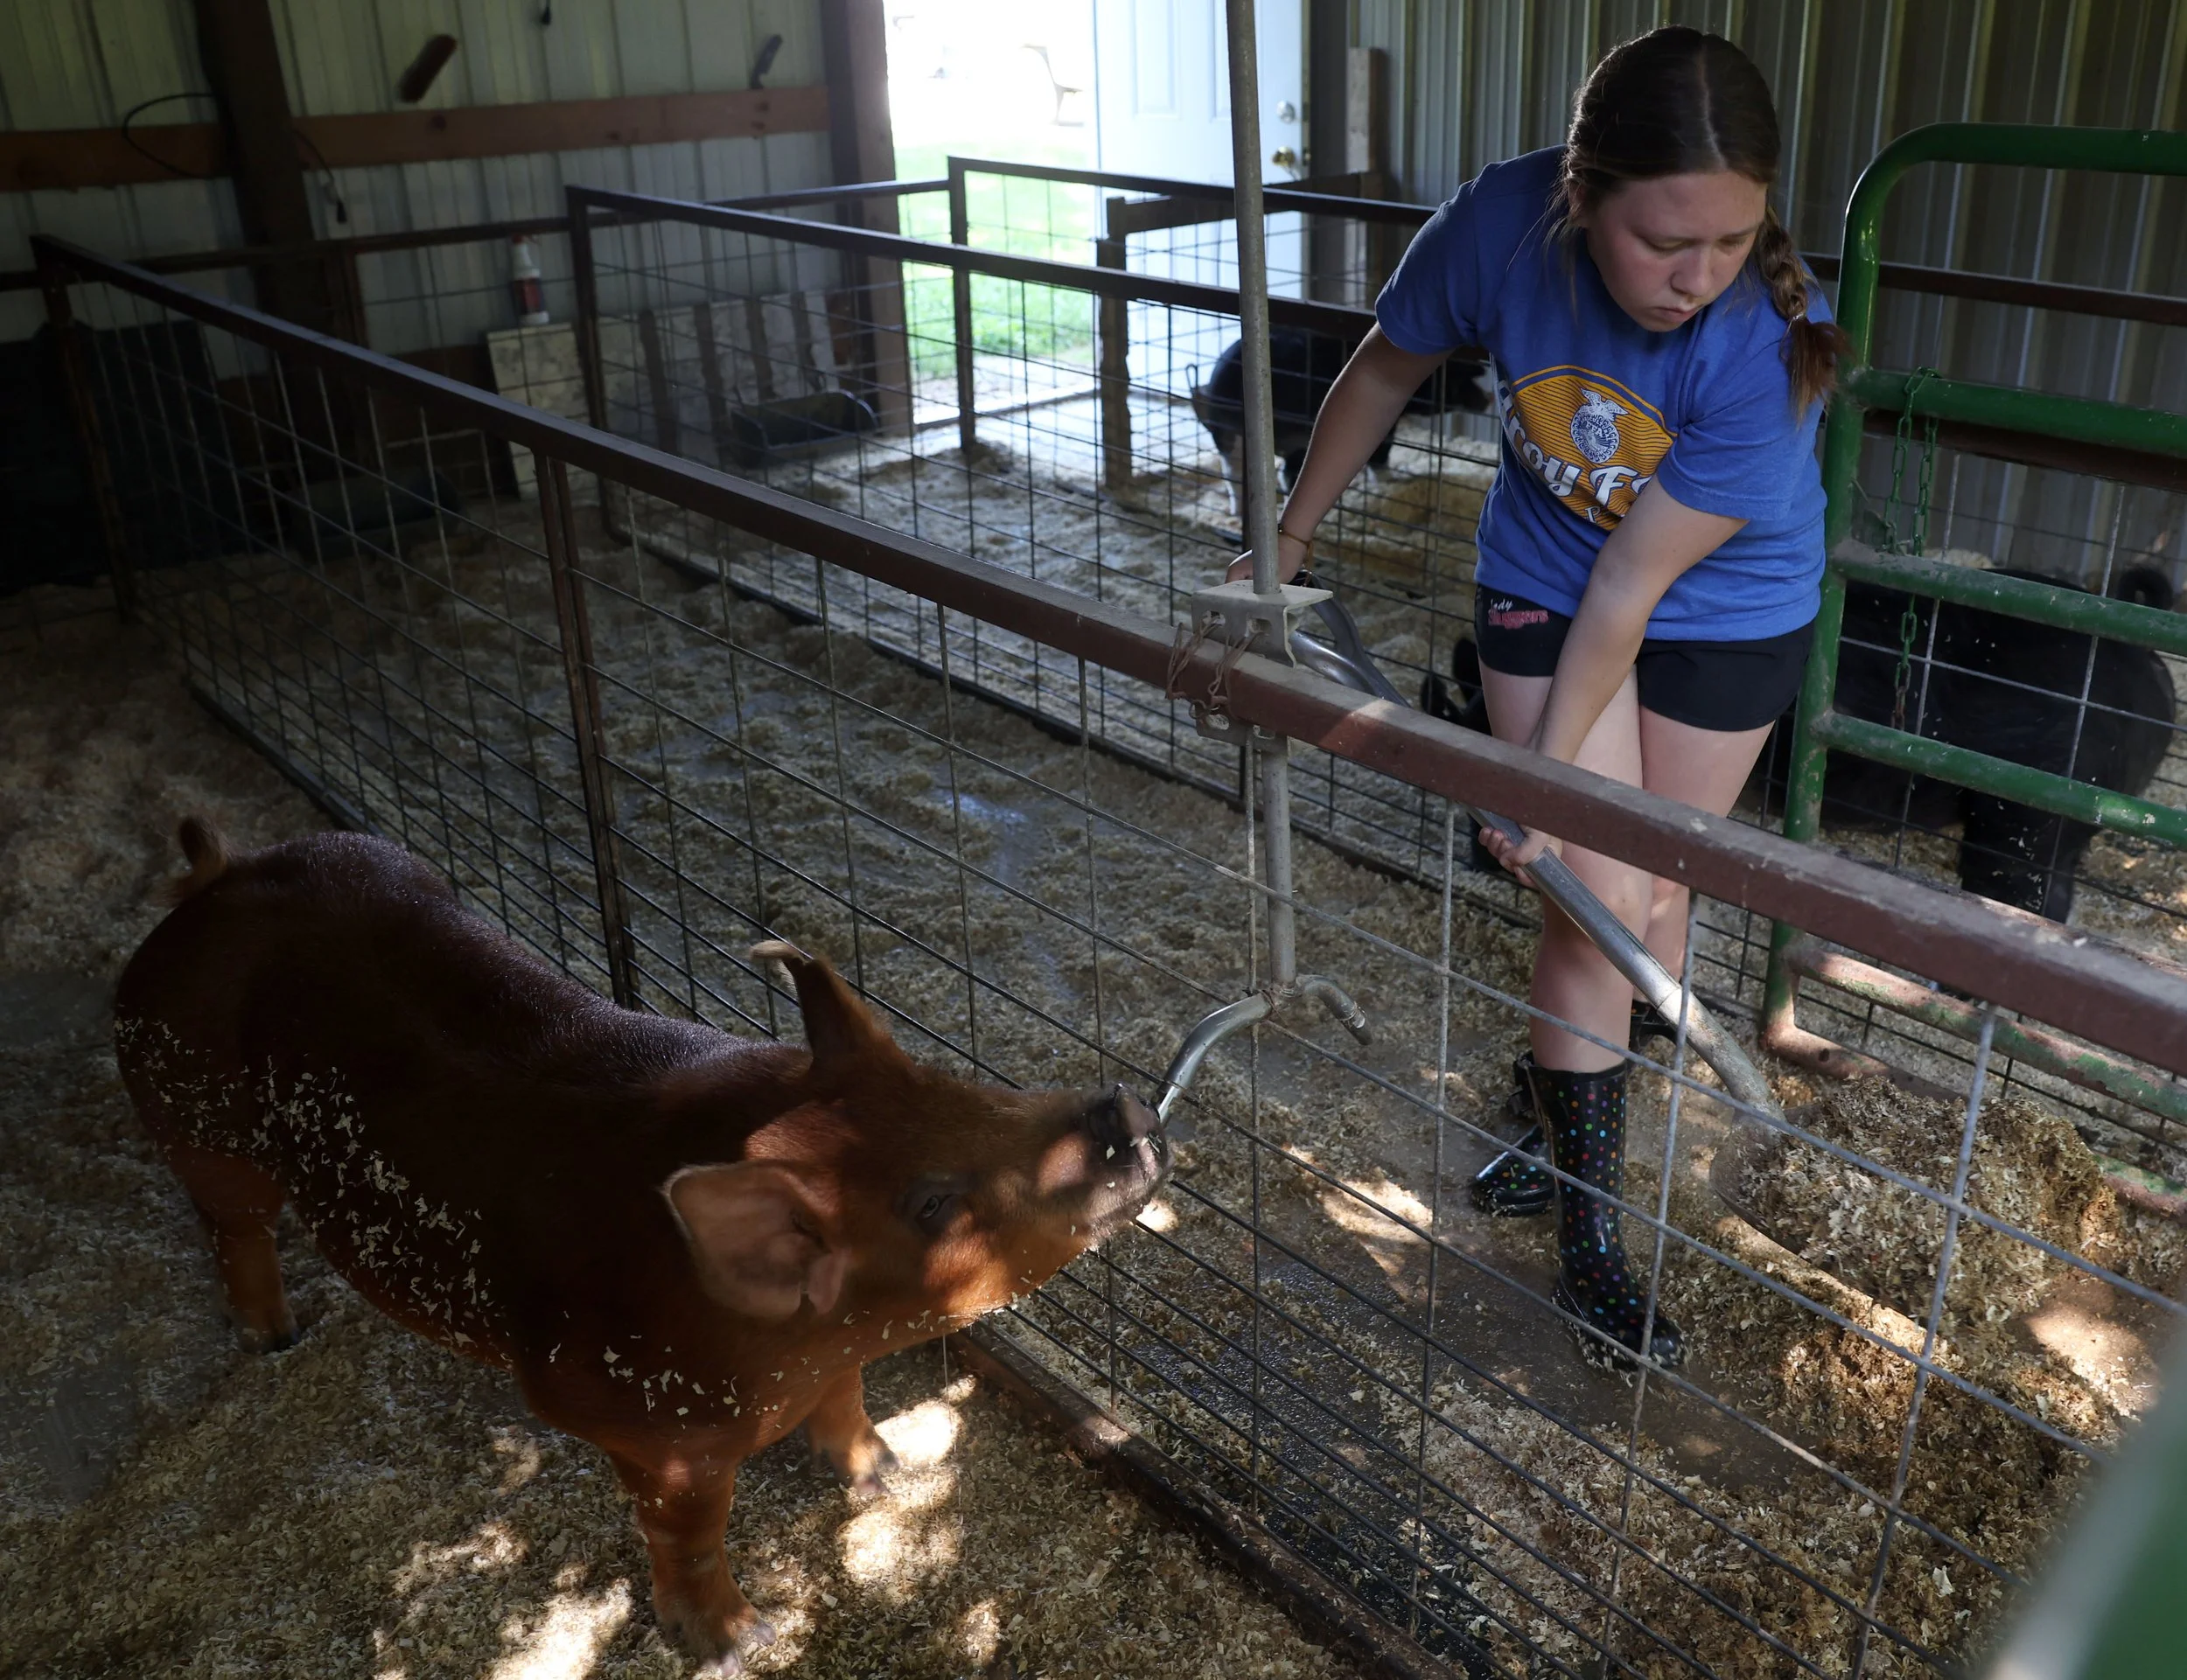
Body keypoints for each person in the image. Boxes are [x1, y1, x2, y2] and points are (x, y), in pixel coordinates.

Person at [1226, 27, 1848, 1370]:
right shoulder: (1500, 227)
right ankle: (1591, 1233)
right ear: (1582, 198)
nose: (1696, 279)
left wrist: (1534, 786)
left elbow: (1640, 586)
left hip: (1726, 606)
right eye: (1663, 242)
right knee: (1596, 897)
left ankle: (1560, 1123)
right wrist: (1289, 537)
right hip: (1545, 576)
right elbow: (1385, 368)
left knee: (1657, 888)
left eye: (1731, 243)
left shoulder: (1769, 339)